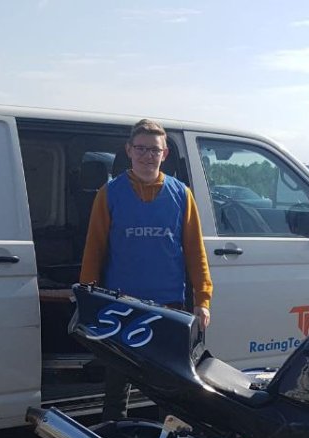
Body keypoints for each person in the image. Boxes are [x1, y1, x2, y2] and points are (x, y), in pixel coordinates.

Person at [79, 119, 213, 421]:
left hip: (168, 306)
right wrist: (87, 295)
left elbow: (196, 252)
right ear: (129, 150)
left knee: (169, 384)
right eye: (141, 149)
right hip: (120, 305)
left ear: (165, 154)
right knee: (118, 384)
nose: (147, 156)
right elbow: (94, 248)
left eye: (154, 150)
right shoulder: (109, 193)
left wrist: (203, 300)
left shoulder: (181, 194)